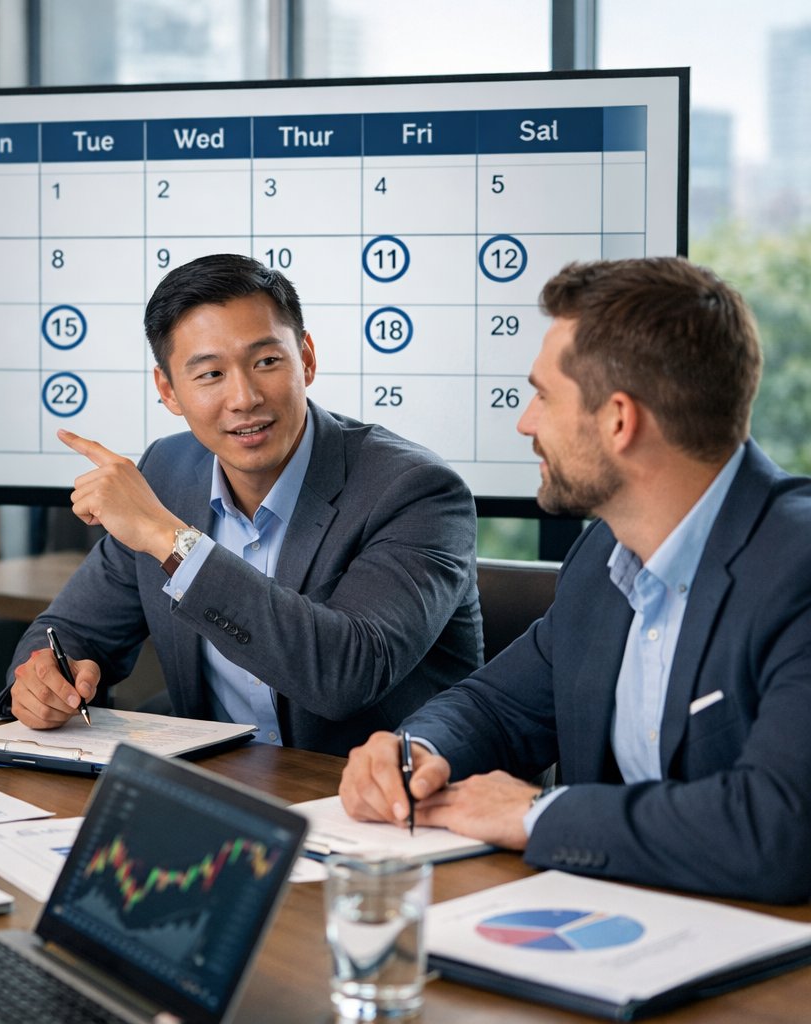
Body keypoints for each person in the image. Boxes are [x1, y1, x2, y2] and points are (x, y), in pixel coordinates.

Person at [339, 256, 811, 904]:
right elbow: (497, 707)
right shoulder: (601, 557)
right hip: (612, 921)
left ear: (618, 420)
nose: (525, 422)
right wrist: (414, 752)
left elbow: (777, 826)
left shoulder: (796, 564)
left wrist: (536, 814)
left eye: (543, 396)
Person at [0, 254, 482, 755]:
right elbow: (70, 631)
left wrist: (171, 540)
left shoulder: (416, 490)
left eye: (266, 362)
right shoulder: (165, 471)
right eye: (210, 373)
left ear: (306, 359)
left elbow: (348, 673)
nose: (244, 397)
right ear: (168, 390)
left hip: (377, 791)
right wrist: (43, 681)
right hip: (219, 785)